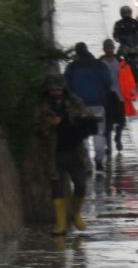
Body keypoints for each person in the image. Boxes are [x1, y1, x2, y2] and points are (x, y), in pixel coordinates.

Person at [35, 74, 95, 234]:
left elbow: (88, 116)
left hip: (76, 153)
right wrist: (49, 124)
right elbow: (37, 129)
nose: (56, 92)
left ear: (63, 89)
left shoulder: (74, 102)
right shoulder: (43, 106)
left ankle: (75, 214)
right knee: (57, 188)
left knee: (81, 185)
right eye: (53, 89)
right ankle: (60, 225)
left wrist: (82, 118)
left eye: (58, 89)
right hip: (54, 154)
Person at [64, 42, 112, 171]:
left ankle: (86, 164)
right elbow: (108, 82)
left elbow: (66, 85)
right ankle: (99, 160)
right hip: (98, 104)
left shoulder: (72, 67)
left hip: (79, 106)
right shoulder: (100, 65)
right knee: (99, 132)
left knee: (82, 135)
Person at [99, 39, 137, 153]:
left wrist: (131, 94)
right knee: (108, 123)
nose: (109, 50)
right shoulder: (100, 63)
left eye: (111, 48)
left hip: (120, 97)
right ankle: (108, 146)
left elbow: (129, 79)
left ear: (113, 49)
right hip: (106, 98)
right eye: (107, 48)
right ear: (104, 49)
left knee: (121, 121)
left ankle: (118, 137)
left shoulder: (122, 63)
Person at [113, 6, 138, 78]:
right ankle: (119, 70)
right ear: (121, 14)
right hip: (125, 44)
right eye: (125, 13)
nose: (126, 15)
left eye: (127, 13)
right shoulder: (119, 24)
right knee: (118, 56)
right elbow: (115, 34)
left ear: (130, 13)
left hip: (135, 44)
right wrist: (119, 39)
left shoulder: (135, 22)